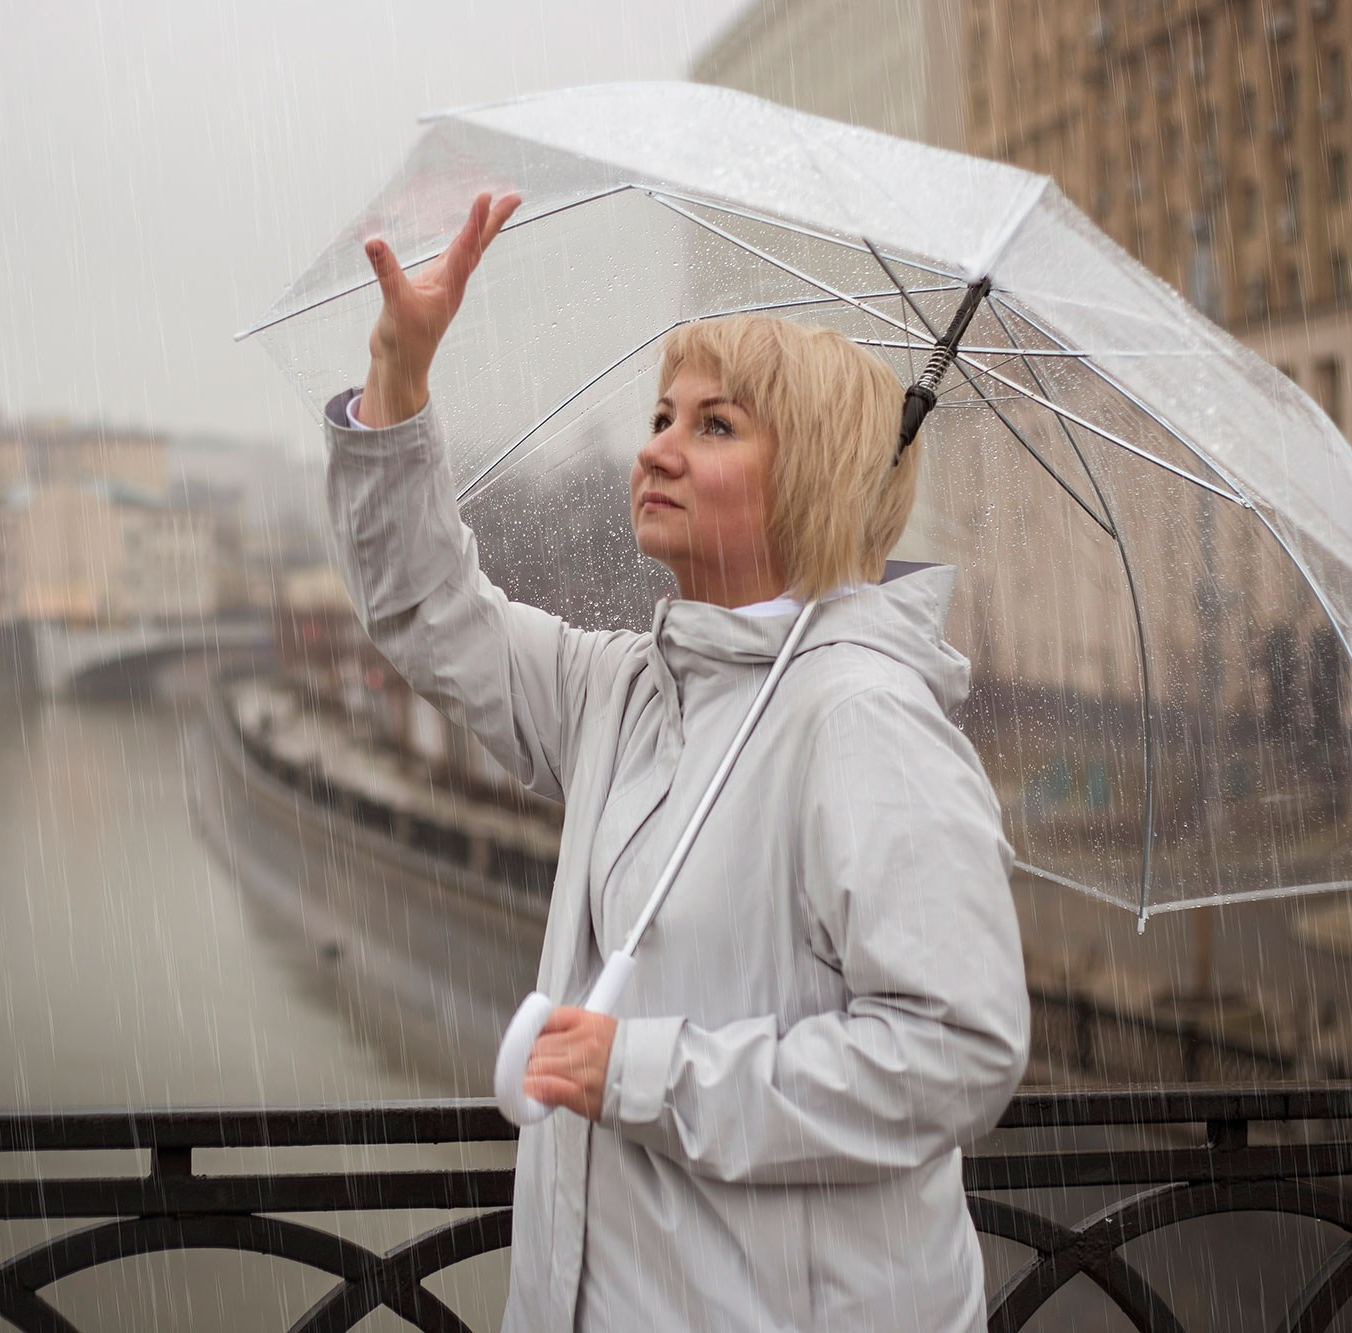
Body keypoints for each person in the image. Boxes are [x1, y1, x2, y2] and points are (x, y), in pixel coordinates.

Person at [327, 192, 1029, 1332]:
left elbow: (955, 1053)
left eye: (713, 425)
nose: (654, 445)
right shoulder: (623, 692)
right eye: (661, 414)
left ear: (810, 472)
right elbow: (424, 610)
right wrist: (397, 380)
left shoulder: (864, 723)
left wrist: (639, 1075)